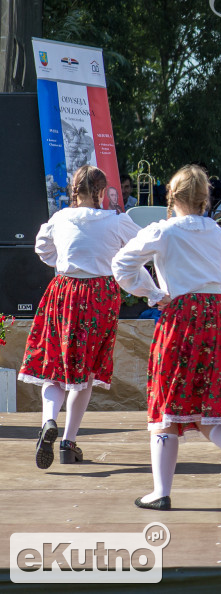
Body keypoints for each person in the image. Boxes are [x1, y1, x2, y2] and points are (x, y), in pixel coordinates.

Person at [112, 165, 221, 510]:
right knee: (211, 403)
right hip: (220, 312)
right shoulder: (216, 231)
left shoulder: (163, 231)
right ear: (204, 199)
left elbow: (121, 264)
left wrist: (153, 293)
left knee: (168, 400)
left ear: (173, 197)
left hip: (183, 314)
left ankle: (161, 491)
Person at [20, 166, 141, 469]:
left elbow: (41, 248)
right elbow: (140, 248)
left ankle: (49, 420)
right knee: (84, 371)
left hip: (64, 289)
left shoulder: (60, 218)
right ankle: (68, 442)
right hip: (100, 295)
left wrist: (62, 261)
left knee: (54, 363)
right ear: (102, 193)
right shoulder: (116, 220)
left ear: (74, 190)